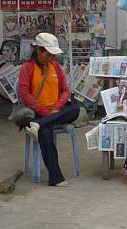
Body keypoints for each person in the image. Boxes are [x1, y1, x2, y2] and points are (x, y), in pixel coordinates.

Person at [17, 33, 80, 187]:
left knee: (75, 109)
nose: (51, 57)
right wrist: (46, 114)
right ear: (38, 50)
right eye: (48, 54)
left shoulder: (56, 67)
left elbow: (66, 91)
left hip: (54, 113)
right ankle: (55, 177)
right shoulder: (28, 68)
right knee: (45, 132)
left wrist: (57, 108)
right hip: (37, 113)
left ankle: (40, 124)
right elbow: (25, 94)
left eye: (53, 55)